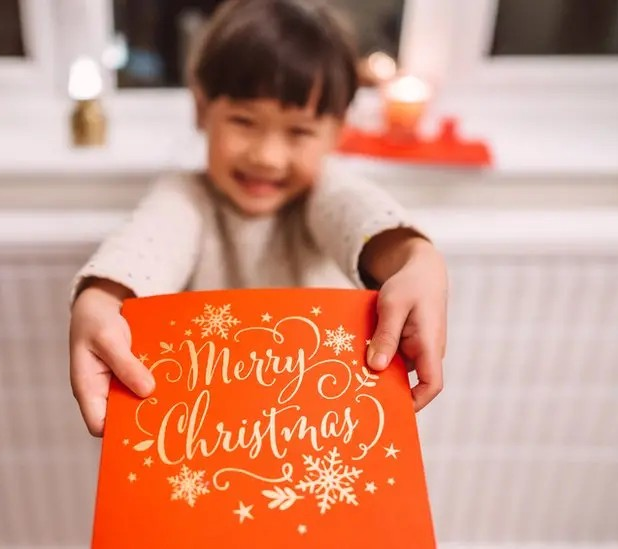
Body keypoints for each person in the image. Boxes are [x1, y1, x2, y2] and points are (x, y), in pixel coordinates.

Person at [69, 0, 448, 437]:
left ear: (338, 129)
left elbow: (361, 215)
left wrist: (416, 259)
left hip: (319, 422)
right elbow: (146, 242)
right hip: (211, 427)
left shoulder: (324, 191)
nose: (267, 157)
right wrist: (99, 299)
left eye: (299, 131)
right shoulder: (187, 198)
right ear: (201, 108)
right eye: (244, 121)